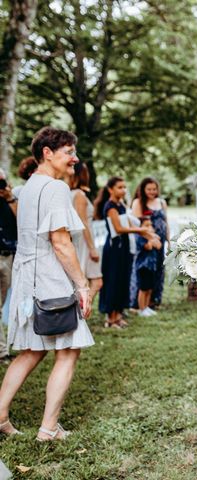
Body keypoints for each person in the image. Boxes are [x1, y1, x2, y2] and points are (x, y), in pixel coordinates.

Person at [0, 126, 93, 440]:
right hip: (50, 278)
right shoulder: (54, 188)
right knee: (68, 350)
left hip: (26, 278)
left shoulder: (28, 187)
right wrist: (82, 285)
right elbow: (61, 243)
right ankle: (48, 428)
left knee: (30, 350)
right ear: (47, 153)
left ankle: (0, 416)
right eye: (69, 152)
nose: (75, 159)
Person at [95, 177, 154, 328]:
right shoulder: (110, 207)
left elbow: (128, 224)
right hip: (114, 248)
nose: (123, 190)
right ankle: (111, 318)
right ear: (110, 189)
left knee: (123, 280)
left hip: (124, 247)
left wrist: (146, 234)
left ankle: (119, 315)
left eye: (124, 187)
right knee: (113, 281)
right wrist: (141, 229)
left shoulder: (121, 204)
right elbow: (119, 229)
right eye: (120, 187)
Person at [131, 178, 169, 308]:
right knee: (145, 271)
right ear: (143, 189)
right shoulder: (138, 202)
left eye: (154, 189)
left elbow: (166, 222)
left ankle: (154, 300)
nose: (152, 192)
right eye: (149, 189)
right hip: (147, 242)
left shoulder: (162, 202)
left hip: (160, 241)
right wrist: (149, 239)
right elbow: (136, 225)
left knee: (158, 269)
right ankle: (138, 303)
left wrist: (168, 241)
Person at [68, 163, 103, 301]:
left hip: (82, 239)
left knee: (91, 281)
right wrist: (92, 248)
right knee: (94, 282)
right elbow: (83, 223)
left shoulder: (71, 193)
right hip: (84, 241)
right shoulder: (79, 195)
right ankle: (80, 314)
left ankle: (80, 315)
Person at [0, 168, 17, 363]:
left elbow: (22, 221)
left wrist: (10, 197)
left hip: (7, 256)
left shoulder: (9, 200)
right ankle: (2, 352)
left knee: (3, 304)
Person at [134, 216, 162, 317]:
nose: (149, 227)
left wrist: (152, 237)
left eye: (150, 225)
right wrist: (151, 237)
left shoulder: (150, 236)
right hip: (143, 266)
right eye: (146, 225)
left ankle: (146, 307)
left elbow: (158, 245)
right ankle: (141, 309)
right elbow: (149, 246)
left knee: (150, 288)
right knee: (143, 288)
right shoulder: (139, 237)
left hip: (152, 266)